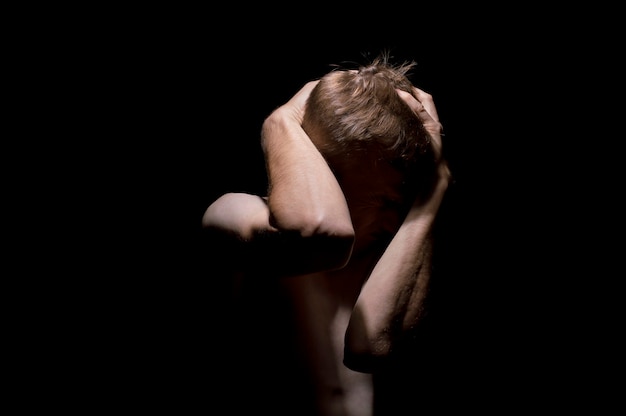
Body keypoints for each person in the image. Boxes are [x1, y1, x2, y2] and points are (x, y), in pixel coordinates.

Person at [202, 53, 451, 415]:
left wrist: (435, 186)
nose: (392, 215)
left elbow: (370, 348)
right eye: (379, 200)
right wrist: (280, 120)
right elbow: (324, 233)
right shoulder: (233, 215)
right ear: (320, 172)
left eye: (402, 196)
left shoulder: (401, 246)